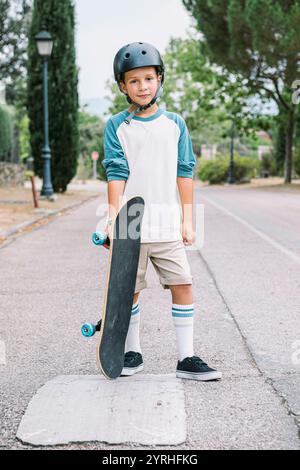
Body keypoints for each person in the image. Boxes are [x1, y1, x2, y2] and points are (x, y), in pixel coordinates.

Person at [102, 42, 222, 381]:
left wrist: (188, 219)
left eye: (149, 79)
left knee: (183, 283)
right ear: (123, 86)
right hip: (131, 225)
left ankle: (187, 357)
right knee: (129, 290)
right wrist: (113, 219)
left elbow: (185, 171)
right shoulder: (117, 127)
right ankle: (131, 352)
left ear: (160, 80)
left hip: (167, 223)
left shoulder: (175, 124)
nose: (142, 87)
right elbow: (116, 172)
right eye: (134, 81)